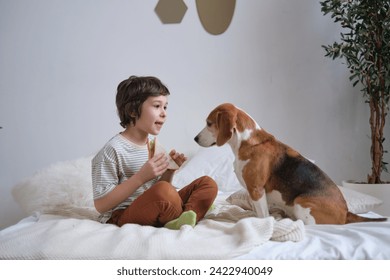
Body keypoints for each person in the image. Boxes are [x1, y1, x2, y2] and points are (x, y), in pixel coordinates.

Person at [91, 75, 218, 230]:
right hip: (122, 215)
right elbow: (101, 204)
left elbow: (160, 188)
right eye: (157, 106)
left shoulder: (154, 146)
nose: (164, 113)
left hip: (155, 207)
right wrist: (140, 178)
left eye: (165, 107)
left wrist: (169, 171)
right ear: (132, 110)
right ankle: (190, 212)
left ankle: (185, 216)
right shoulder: (112, 150)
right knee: (164, 192)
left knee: (207, 183)